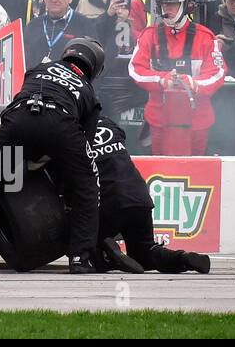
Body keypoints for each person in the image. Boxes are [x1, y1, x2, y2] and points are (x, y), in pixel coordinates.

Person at [0, 38, 106, 274]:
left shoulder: (39, 68)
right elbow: (84, 144)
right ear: (94, 67)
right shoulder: (88, 90)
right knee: (87, 186)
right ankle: (79, 258)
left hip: (18, 118)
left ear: (67, 55)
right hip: (60, 123)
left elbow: (24, 98)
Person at [85, 114, 211, 274]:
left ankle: (106, 255)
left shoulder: (71, 131)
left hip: (108, 201)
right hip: (139, 196)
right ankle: (184, 259)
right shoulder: (108, 123)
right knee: (145, 253)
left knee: (82, 248)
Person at [128, 0, 226, 156]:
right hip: (159, 121)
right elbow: (135, 69)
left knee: (196, 176)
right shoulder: (148, 35)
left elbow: (218, 73)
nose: (167, 8)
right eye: (163, 4)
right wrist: (162, 80)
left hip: (197, 122)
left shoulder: (205, 37)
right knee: (161, 173)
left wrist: (192, 83)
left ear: (188, 5)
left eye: (172, 3)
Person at [93, 0, 148, 123]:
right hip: (107, 80)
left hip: (134, 83)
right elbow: (94, 39)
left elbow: (148, 43)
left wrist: (128, 22)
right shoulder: (106, 16)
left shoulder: (145, 11)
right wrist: (109, 16)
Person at [23, 0, 99, 68]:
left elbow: (94, 61)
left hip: (69, 81)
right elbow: (23, 60)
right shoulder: (33, 25)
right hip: (36, 80)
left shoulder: (84, 24)